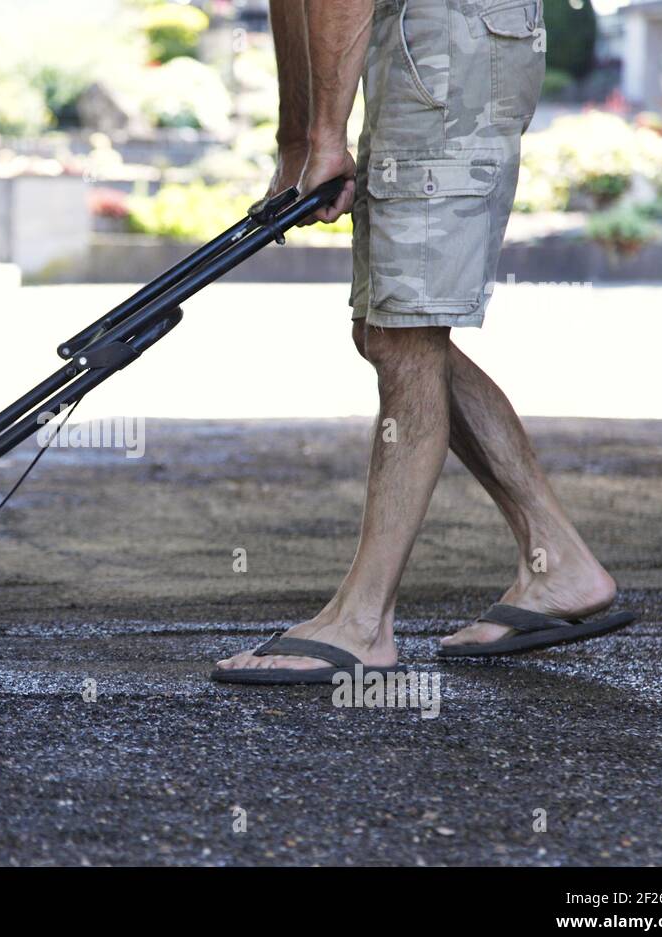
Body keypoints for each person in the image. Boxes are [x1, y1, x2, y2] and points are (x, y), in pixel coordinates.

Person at [213, 0, 634, 685]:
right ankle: (557, 560)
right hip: (410, 37)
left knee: (403, 334)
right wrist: (299, 140)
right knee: (391, 329)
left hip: (449, 36)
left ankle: (363, 622)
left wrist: (325, 133)